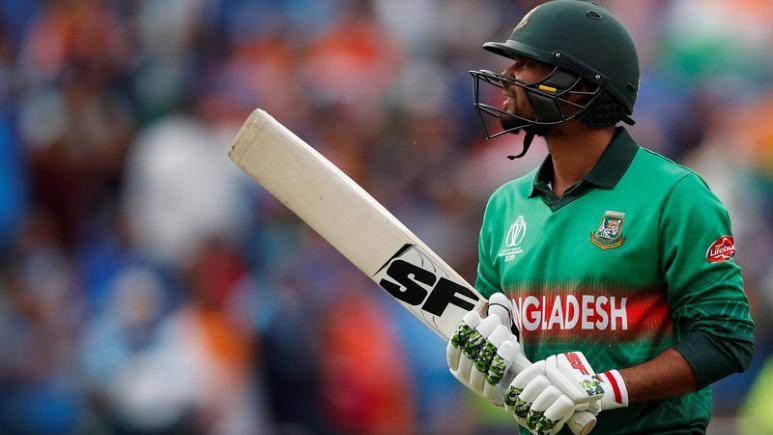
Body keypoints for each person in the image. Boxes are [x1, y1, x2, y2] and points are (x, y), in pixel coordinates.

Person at [445, 1, 754, 434]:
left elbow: (726, 339)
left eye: (526, 64)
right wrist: (490, 352)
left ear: (582, 85)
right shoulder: (504, 206)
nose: (508, 77)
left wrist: (605, 388)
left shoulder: (675, 196)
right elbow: (498, 337)